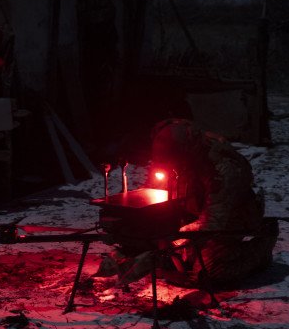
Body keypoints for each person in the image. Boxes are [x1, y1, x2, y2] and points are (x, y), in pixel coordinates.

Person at [102, 118, 277, 289]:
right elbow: (155, 192)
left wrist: (175, 236)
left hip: (232, 218)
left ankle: (260, 248)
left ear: (185, 151)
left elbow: (214, 223)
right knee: (166, 255)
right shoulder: (180, 158)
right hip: (195, 215)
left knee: (209, 271)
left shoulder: (222, 169)